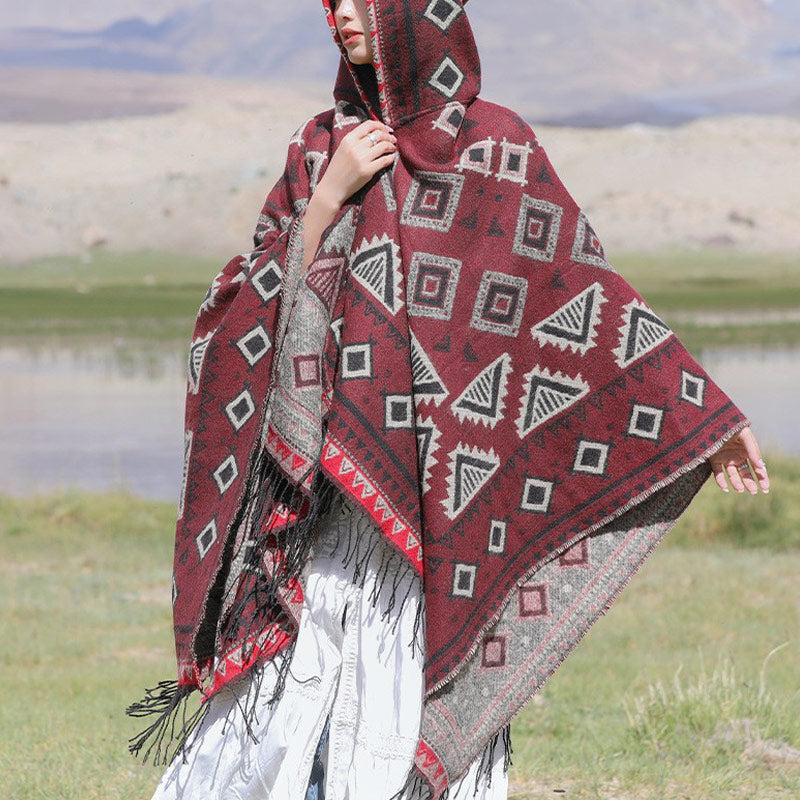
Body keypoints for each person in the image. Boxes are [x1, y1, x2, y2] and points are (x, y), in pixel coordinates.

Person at [128, 1, 770, 799]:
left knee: (397, 700)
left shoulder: (497, 145)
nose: (344, 15)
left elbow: (584, 295)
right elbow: (237, 311)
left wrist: (702, 417)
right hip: (321, 512)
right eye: (334, 2)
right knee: (286, 706)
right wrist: (328, 199)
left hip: (442, 524)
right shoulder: (319, 145)